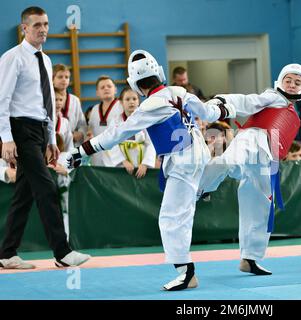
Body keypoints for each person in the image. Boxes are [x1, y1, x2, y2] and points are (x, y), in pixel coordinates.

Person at [66, 49, 234, 291]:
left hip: (183, 162)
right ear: (159, 72)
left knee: (171, 218)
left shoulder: (150, 106)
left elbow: (117, 135)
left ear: (134, 84)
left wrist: (81, 151)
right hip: (200, 153)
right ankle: (205, 188)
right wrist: (223, 107)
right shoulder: (179, 91)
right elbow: (207, 113)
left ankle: (186, 273)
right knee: (184, 207)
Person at [197, 63, 301, 275]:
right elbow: (249, 102)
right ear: (280, 82)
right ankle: (199, 187)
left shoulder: (293, 114)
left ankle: (250, 258)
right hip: (251, 139)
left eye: (298, 82)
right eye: (288, 80)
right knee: (228, 162)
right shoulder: (274, 96)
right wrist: (224, 101)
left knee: (261, 204)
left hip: (267, 158)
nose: (292, 85)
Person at [0, 6, 90, 269]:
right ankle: (62, 251)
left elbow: (47, 102)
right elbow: (2, 100)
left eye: (46, 24)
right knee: (46, 187)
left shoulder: (46, 60)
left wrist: (51, 138)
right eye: (37, 25)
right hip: (20, 129)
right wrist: (6, 138)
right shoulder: (12, 58)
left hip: (40, 129)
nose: (43, 29)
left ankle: (6, 252)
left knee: (24, 194)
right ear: (24, 28)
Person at [109, 87, 157, 176]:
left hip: (142, 166)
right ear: (121, 102)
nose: (131, 102)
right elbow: (111, 143)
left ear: (138, 101)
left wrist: (145, 164)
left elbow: (151, 143)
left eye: (134, 99)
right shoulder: (115, 121)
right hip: (123, 166)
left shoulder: (145, 120)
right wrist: (123, 161)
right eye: (127, 99)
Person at [87, 75, 124, 166]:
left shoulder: (122, 106)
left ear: (115, 89)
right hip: (98, 153)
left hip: (118, 153)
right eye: (102, 87)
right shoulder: (94, 109)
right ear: (97, 92)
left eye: (109, 86)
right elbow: (90, 129)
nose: (106, 89)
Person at [52, 64, 87, 147]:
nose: (64, 79)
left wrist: (81, 133)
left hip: (71, 142)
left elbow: (82, 123)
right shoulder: (46, 98)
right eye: (60, 77)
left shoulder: (75, 100)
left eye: (66, 77)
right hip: (52, 141)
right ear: (52, 79)